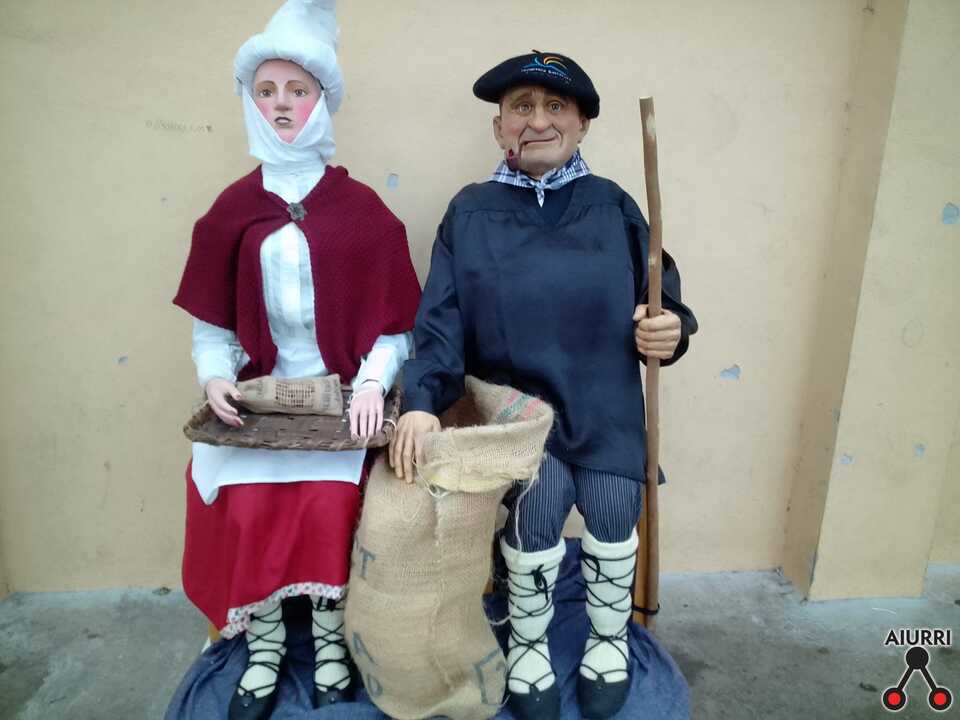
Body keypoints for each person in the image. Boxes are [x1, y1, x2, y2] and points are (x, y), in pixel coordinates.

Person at [389, 51, 697, 720]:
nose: (538, 120)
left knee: (615, 505)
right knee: (539, 506)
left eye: (556, 107)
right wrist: (421, 403)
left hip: (605, 406)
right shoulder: (470, 212)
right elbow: (440, 322)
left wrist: (668, 328)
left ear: (582, 125)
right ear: (499, 127)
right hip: (520, 415)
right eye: (521, 107)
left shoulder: (614, 206)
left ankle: (609, 638)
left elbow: (661, 297)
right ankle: (528, 643)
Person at [172, 2, 421, 718]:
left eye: (297, 90)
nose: (281, 104)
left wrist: (372, 384)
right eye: (266, 91)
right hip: (262, 399)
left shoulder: (363, 212)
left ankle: (333, 641)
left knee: (331, 502)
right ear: (250, 102)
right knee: (246, 503)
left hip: (337, 400)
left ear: (322, 100)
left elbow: (395, 326)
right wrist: (215, 377)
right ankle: (266, 645)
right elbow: (212, 326)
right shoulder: (232, 210)